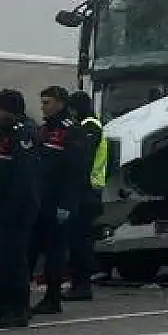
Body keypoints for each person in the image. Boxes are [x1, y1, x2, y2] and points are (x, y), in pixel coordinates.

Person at [0, 90, 43, 328]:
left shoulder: (23, 133)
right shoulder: (3, 133)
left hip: (15, 210)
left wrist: (13, 209)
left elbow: (25, 178)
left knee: (14, 261)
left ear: (9, 111)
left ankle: (19, 309)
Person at [30, 85, 86, 316]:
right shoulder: (44, 130)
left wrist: (67, 205)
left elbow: (75, 172)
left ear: (61, 103)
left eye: (47, 102)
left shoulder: (71, 131)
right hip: (39, 200)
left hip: (58, 202)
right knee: (33, 250)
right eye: (42, 102)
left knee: (55, 252)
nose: (43, 107)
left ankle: (52, 298)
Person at [62, 90, 108, 301]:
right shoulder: (89, 125)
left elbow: (83, 159)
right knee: (78, 239)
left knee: (79, 240)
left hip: (86, 190)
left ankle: (82, 285)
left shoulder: (89, 126)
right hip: (88, 190)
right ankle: (79, 283)